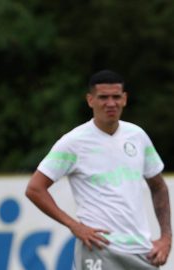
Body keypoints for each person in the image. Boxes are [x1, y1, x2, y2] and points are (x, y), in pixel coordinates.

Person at [25, 70, 172, 269]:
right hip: (99, 248)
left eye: (116, 97)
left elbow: (159, 187)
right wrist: (74, 226)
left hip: (141, 249)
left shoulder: (137, 136)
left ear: (125, 99)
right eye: (103, 97)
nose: (110, 103)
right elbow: (35, 188)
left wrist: (166, 238)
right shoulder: (73, 142)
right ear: (90, 100)